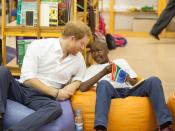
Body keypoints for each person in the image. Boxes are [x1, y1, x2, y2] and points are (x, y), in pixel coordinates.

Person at [0, 21, 92, 131]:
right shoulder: (39, 46)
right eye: (82, 43)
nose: (82, 48)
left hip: (42, 98)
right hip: (22, 89)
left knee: (56, 108)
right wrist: (56, 93)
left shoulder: (78, 59)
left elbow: (81, 77)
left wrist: (74, 84)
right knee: (3, 71)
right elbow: (28, 79)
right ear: (72, 39)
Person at [80, 39, 173, 131]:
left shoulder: (121, 61)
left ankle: (164, 125)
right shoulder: (91, 69)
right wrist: (103, 72)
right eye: (92, 52)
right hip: (113, 93)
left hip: (130, 89)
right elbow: (82, 87)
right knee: (103, 84)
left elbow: (135, 83)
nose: (96, 54)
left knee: (154, 80)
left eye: (99, 51)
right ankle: (100, 128)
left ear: (107, 51)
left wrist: (127, 78)